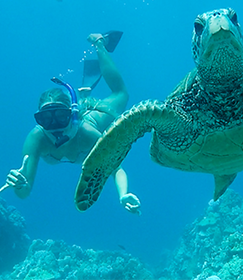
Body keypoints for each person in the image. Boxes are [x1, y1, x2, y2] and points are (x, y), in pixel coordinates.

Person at [5, 32, 141, 214]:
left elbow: (116, 168)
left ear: (72, 115)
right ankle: (84, 92)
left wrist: (123, 194)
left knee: (121, 94)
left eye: (61, 116)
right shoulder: (36, 139)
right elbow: (24, 192)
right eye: (46, 119)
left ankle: (100, 44)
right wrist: (19, 185)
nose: (55, 126)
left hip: (93, 116)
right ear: (39, 120)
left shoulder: (87, 133)